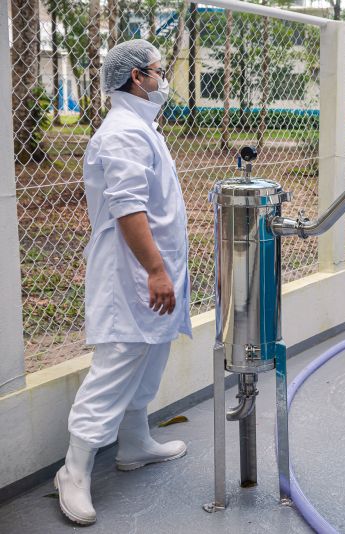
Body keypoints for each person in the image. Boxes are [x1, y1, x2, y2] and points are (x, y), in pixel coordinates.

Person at [54, 39, 191, 525]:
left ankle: (134, 443)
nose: (162, 80)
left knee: (150, 354)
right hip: (132, 273)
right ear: (137, 77)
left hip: (152, 270)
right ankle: (73, 471)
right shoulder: (123, 133)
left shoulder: (142, 126)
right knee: (117, 363)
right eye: (158, 71)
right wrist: (155, 270)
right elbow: (128, 208)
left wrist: (162, 268)